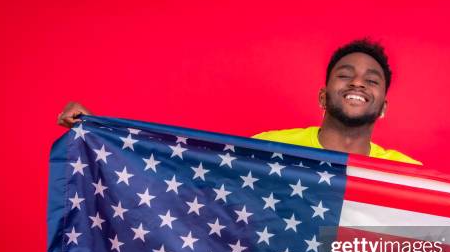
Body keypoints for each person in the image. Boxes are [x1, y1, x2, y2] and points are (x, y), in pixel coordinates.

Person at [58, 39, 420, 165]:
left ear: (383, 106)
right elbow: (186, 175)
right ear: (323, 96)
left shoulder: (410, 176)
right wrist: (102, 135)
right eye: (345, 74)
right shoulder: (268, 149)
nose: (358, 81)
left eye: (372, 80)